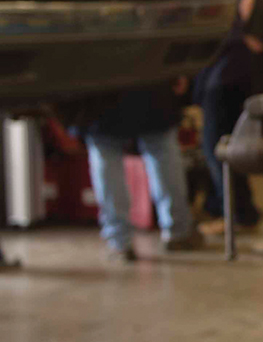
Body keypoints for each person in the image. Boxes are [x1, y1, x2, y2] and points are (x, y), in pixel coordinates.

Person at [81, 83, 206, 261]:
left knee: (106, 154)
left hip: (102, 89)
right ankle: (178, 231)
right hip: (149, 83)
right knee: (162, 151)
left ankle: (119, 242)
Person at [195, 0, 262, 235]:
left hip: (222, 88)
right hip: (230, 86)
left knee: (219, 152)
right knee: (228, 151)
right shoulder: (237, 29)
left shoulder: (227, 27)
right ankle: (233, 210)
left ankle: (235, 215)